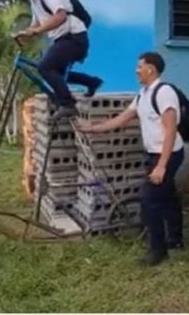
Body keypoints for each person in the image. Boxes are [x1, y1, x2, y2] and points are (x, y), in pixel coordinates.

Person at [78, 52, 184, 266]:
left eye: (139, 67)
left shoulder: (164, 93)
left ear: (151, 69)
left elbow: (170, 131)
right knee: (168, 197)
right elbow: (122, 119)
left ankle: (157, 250)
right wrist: (93, 129)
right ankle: (175, 240)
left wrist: (161, 166)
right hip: (154, 153)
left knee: (149, 200)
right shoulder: (143, 94)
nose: (136, 70)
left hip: (169, 154)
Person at [12, 0, 103, 120]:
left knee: (45, 68)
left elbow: (60, 16)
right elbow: (37, 24)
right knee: (58, 75)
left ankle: (68, 104)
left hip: (74, 38)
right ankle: (92, 82)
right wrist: (24, 33)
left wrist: (37, 31)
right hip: (63, 39)